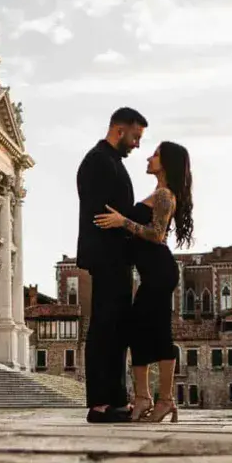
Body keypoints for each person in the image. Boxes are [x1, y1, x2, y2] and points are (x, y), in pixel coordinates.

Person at [94, 140, 194, 425]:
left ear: (167, 163)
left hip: (160, 273)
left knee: (158, 333)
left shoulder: (164, 195)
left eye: (156, 155)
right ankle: (144, 398)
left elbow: (157, 235)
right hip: (152, 273)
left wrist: (122, 221)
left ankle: (163, 401)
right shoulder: (158, 193)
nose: (149, 158)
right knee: (137, 332)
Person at [76, 107, 147, 424]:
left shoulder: (112, 162)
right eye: (135, 136)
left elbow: (122, 212)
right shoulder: (97, 161)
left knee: (117, 328)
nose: (137, 144)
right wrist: (129, 221)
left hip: (117, 256)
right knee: (105, 326)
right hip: (106, 255)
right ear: (120, 130)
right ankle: (100, 404)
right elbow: (102, 214)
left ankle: (116, 399)